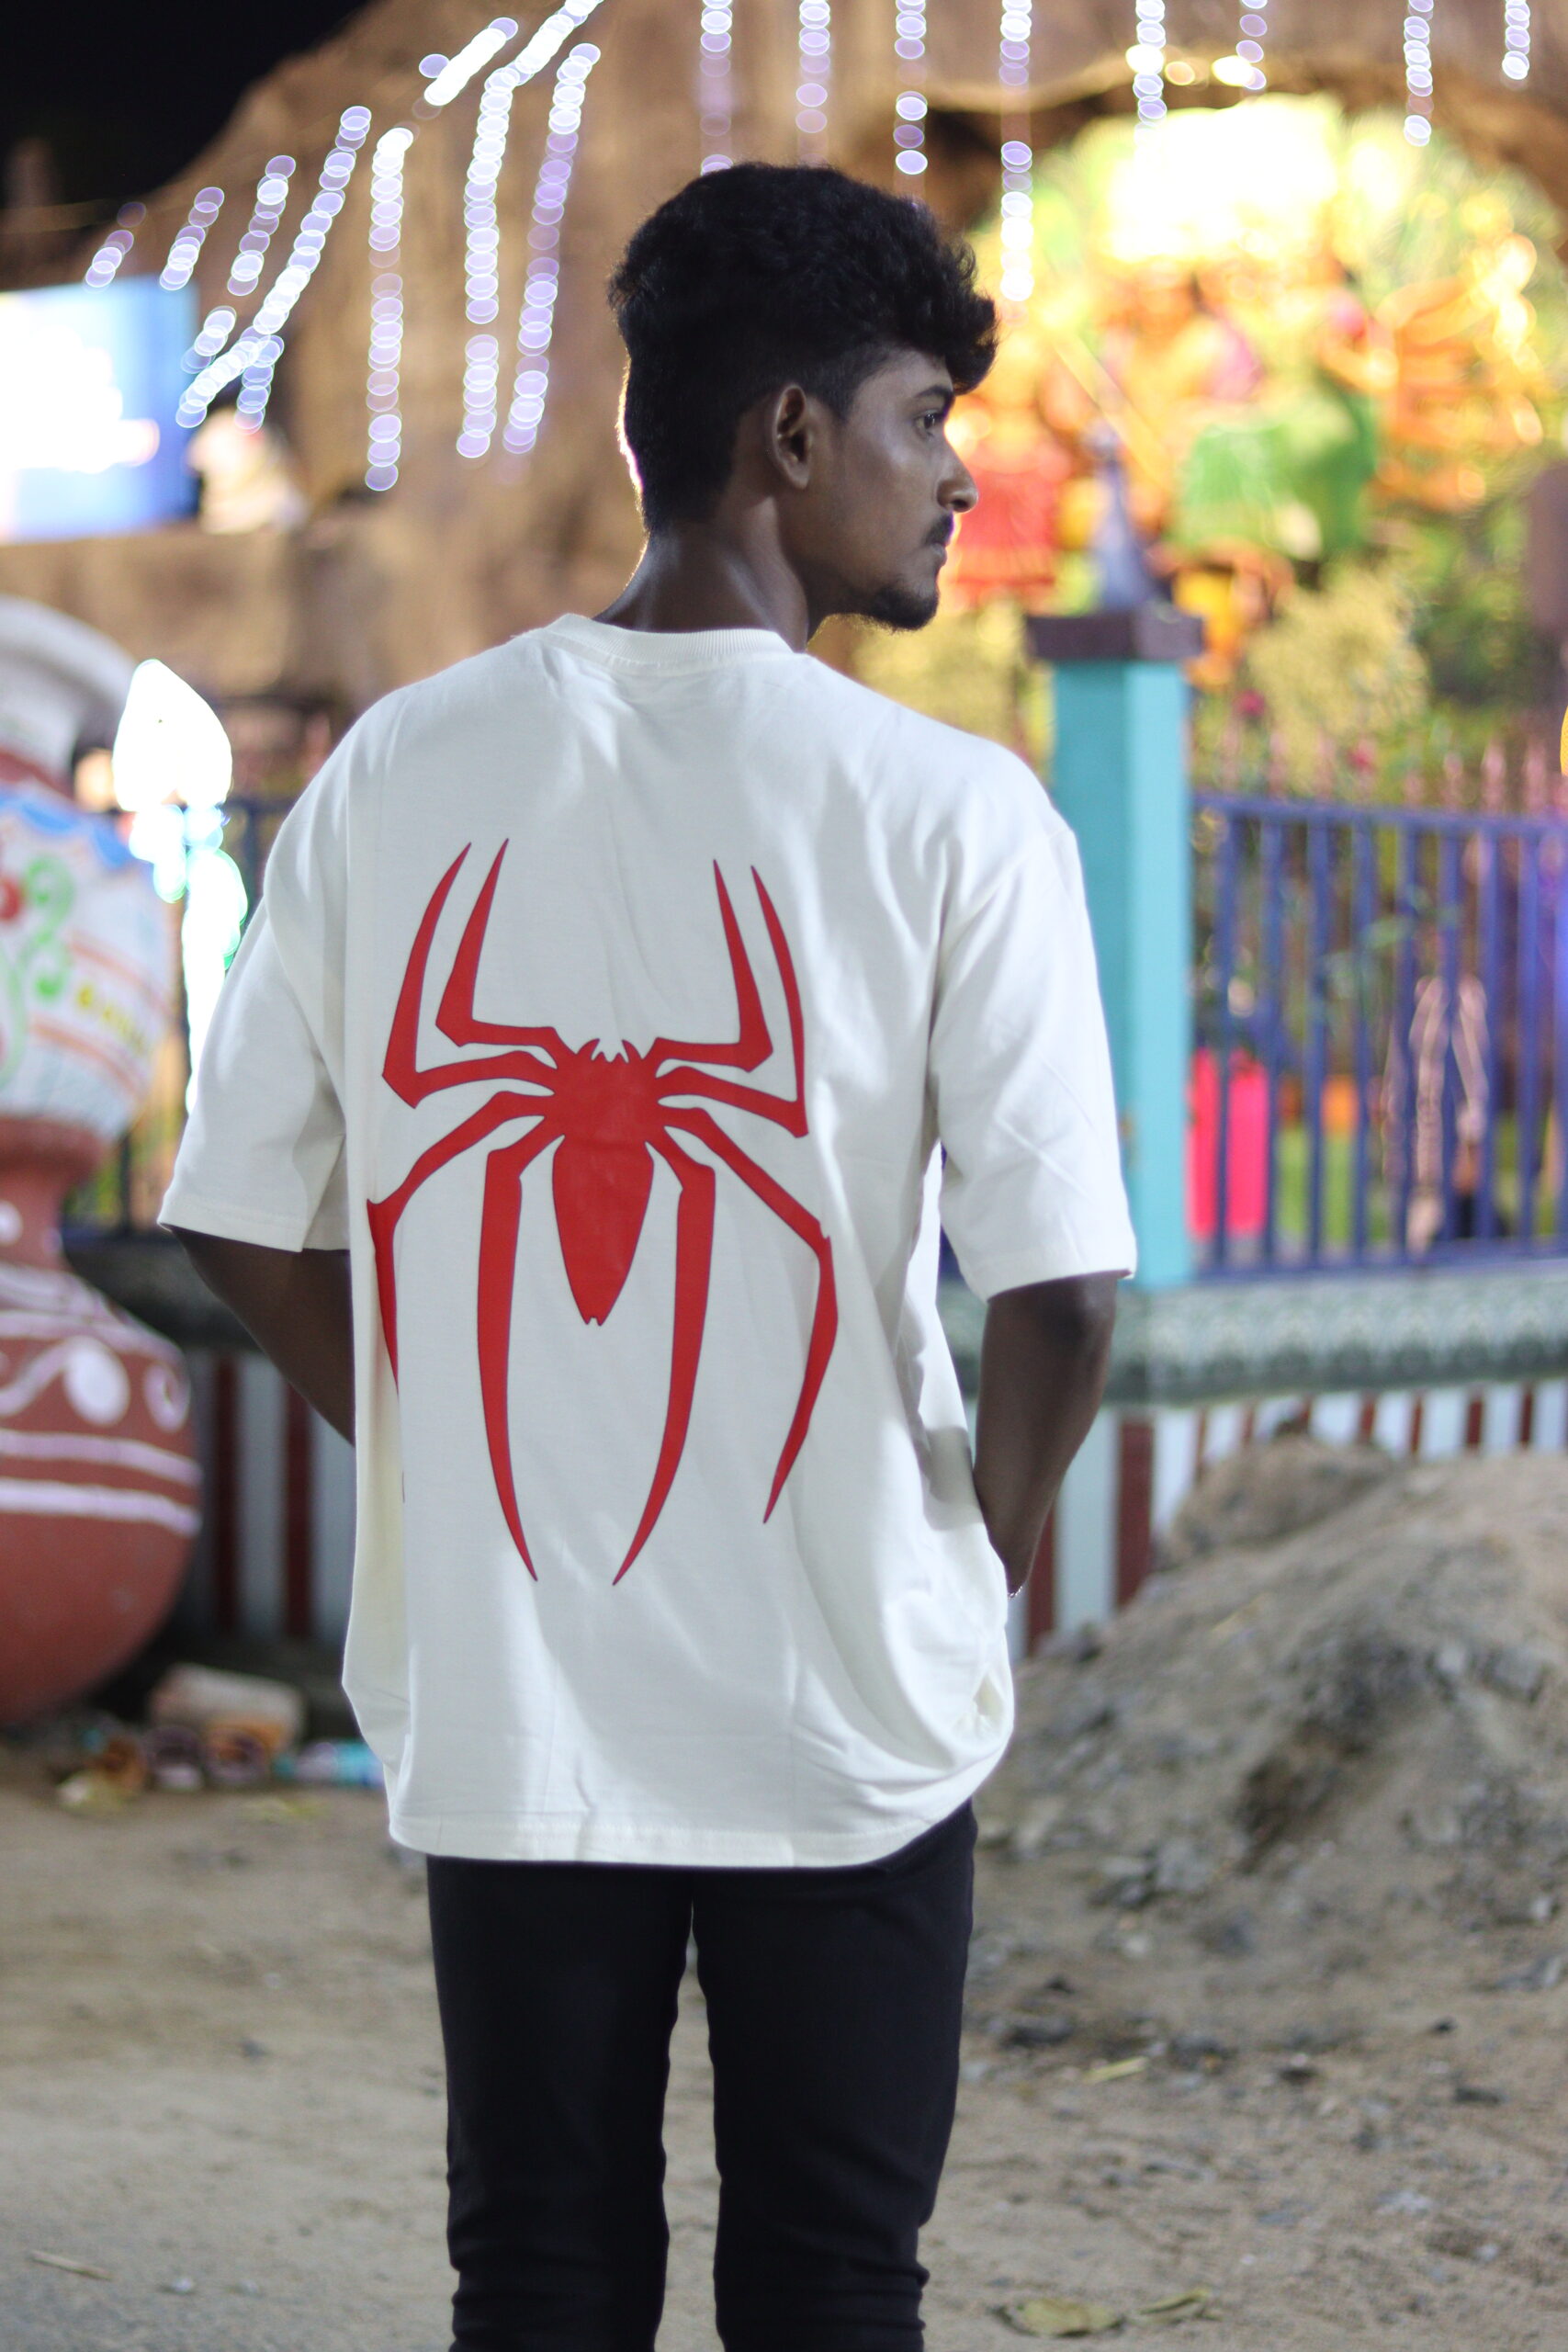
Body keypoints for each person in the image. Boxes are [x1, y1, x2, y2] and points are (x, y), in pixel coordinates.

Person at [163, 163, 1135, 2352]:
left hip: (520, 1681)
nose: (956, 475)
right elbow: (1062, 1287)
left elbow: (231, 1210)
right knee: (828, 2276)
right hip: (843, 1682)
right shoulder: (951, 810)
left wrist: (427, 1421)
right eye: (920, 418)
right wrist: (975, 1543)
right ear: (788, 436)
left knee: (535, 2265)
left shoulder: (399, 768)